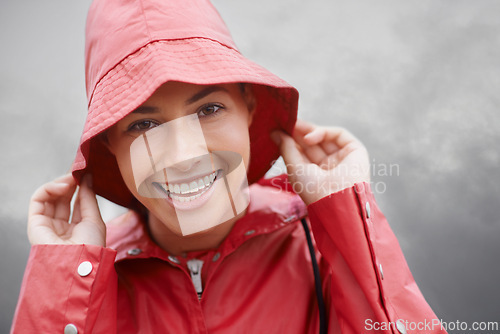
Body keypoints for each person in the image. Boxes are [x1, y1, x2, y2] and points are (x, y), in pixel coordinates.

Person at [11, 0, 447, 333]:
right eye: (144, 124)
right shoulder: (92, 282)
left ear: (250, 107)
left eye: (209, 109)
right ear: (110, 145)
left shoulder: (317, 245)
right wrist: (65, 277)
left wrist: (348, 218)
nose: (184, 156)